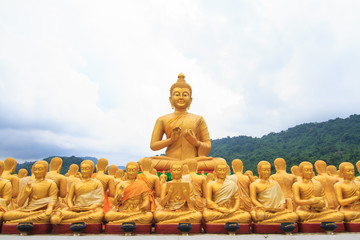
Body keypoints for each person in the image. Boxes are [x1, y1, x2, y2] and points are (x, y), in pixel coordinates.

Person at [149, 73, 226, 172]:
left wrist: (196, 142)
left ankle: (181, 166)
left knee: (220, 162)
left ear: (190, 100)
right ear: (170, 99)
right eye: (177, 94)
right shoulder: (162, 119)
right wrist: (171, 140)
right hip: (171, 160)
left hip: (193, 160)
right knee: (145, 162)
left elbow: (208, 145)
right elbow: (153, 146)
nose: (181, 97)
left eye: (185, 95)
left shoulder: (199, 119)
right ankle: (183, 166)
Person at [50, 160, 104, 224]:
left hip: (91, 210)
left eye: (87, 169)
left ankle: (68, 221)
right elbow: (69, 198)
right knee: (61, 213)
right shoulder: (75, 183)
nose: (84, 171)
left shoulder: (97, 183)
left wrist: (90, 208)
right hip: (76, 209)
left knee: (99, 215)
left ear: (92, 170)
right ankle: (81, 219)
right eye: (82, 169)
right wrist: (71, 207)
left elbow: (100, 200)